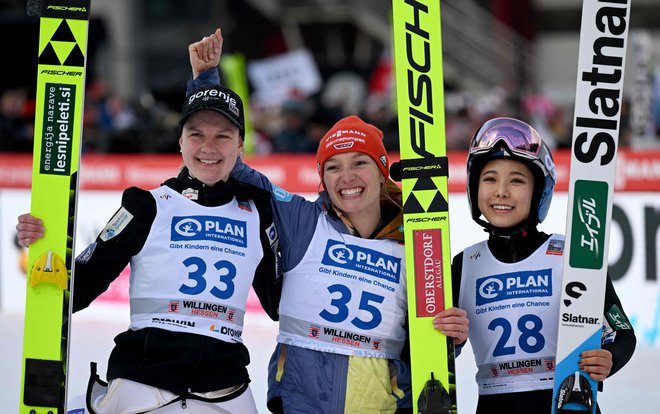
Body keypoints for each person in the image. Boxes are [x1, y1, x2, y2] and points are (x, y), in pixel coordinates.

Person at [187, 29, 469, 413]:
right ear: (323, 179)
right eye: (333, 167)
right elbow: (230, 164)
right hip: (302, 404)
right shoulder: (304, 221)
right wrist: (205, 81)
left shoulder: (416, 242)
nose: (346, 177)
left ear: (382, 171)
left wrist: (451, 336)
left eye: (359, 164)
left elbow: (429, 345)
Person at [16, 82, 282, 413]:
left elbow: (280, 303)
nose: (208, 147)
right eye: (196, 135)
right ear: (180, 142)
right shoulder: (146, 206)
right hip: (143, 379)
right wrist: (44, 246)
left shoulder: (258, 212)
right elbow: (82, 283)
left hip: (225, 387)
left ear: (241, 144)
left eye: (223, 136)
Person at [433, 117, 636, 414]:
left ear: (539, 191)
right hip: (493, 403)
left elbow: (621, 331)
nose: (501, 191)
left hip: (567, 403)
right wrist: (450, 341)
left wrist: (609, 356)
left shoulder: (573, 256)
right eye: (489, 179)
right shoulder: (464, 265)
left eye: (517, 180)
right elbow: (430, 351)